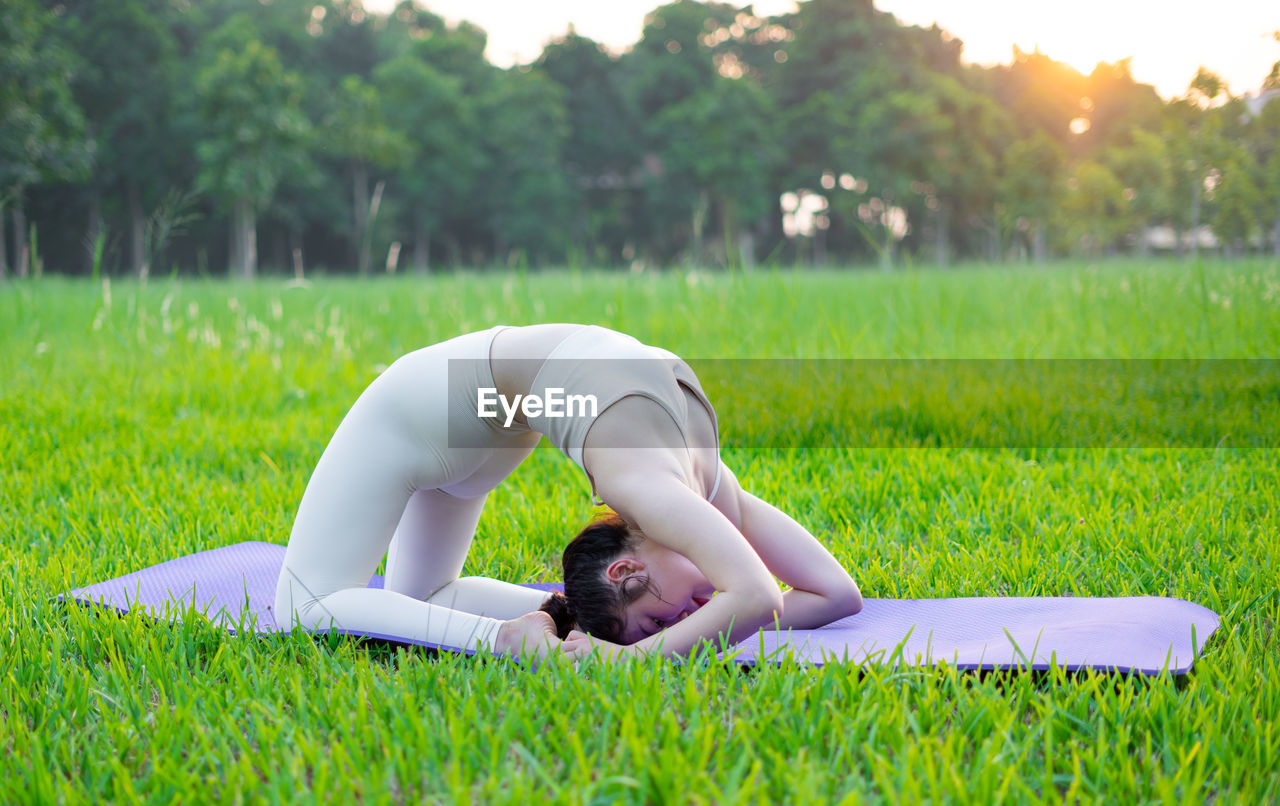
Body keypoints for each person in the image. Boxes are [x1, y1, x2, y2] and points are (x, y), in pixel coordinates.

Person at [274, 323, 862, 662]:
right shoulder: (669, 489)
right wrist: (637, 657)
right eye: (664, 623)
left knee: (359, 602)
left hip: (487, 412)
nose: (693, 618)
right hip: (434, 403)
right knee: (318, 604)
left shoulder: (688, 492)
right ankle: (544, 625)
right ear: (625, 570)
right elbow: (772, 596)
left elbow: (819, 596)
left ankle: (513, 638)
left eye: (666, 620)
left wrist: (629, 659)